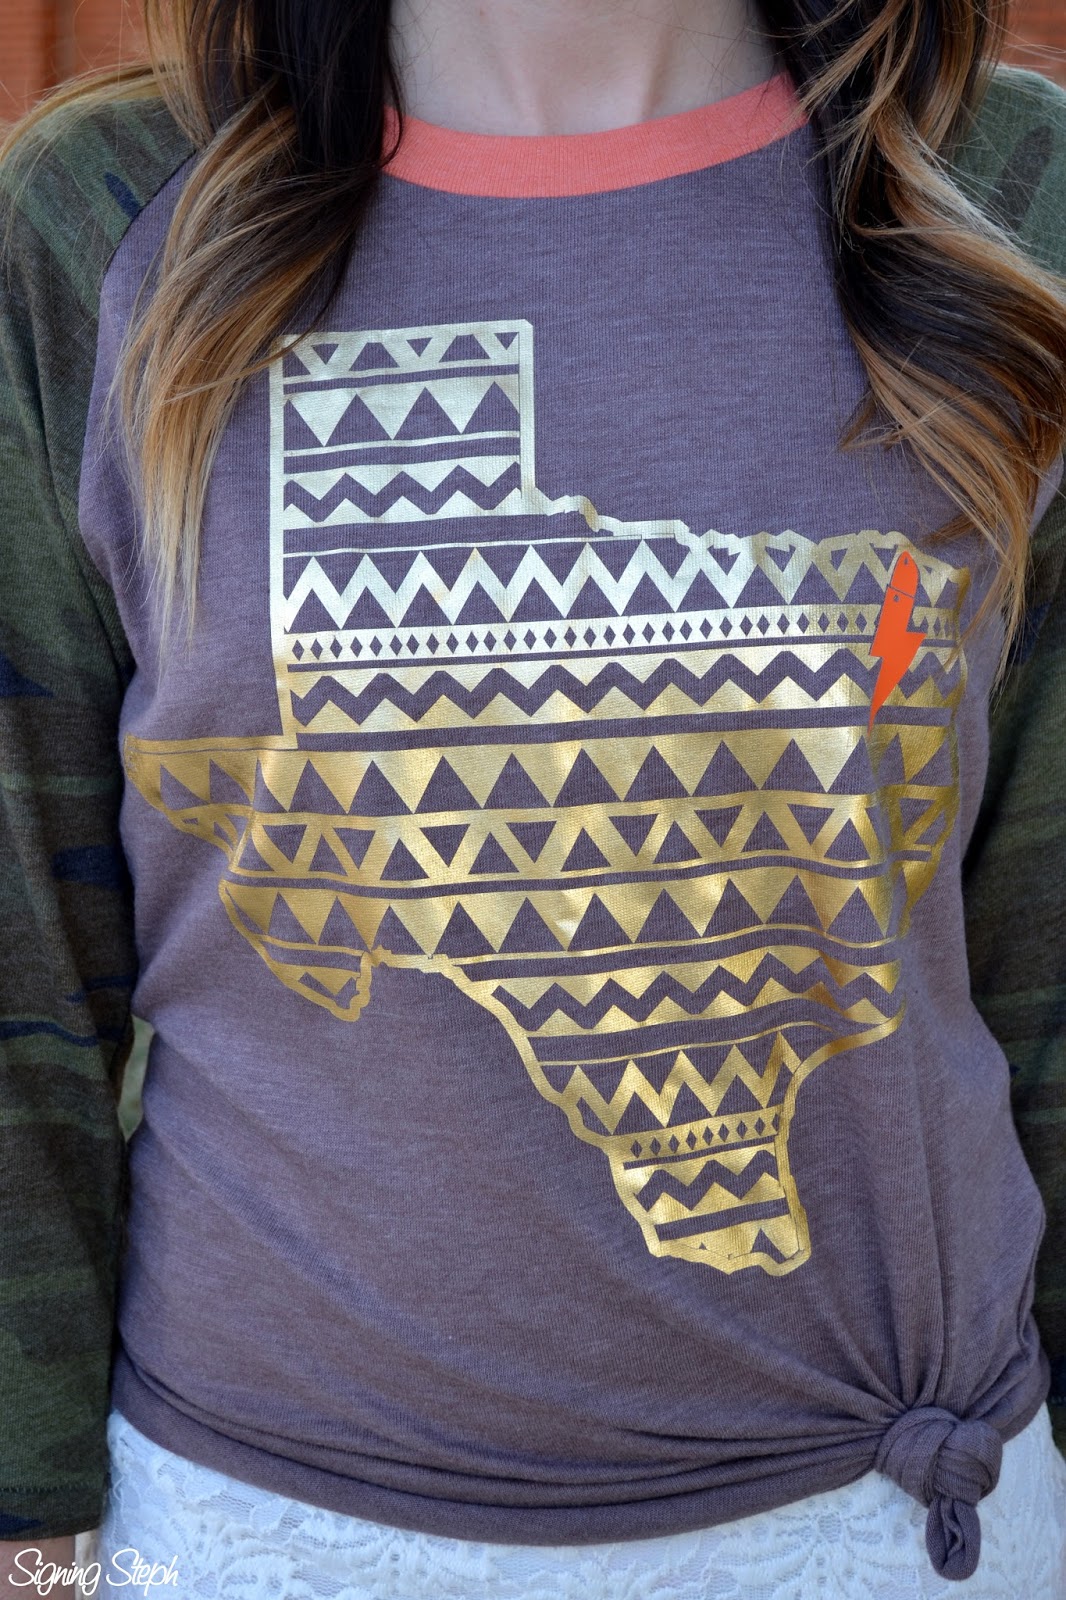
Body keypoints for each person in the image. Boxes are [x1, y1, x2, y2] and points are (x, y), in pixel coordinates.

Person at [2, 0, 1066, 1594]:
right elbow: (22, 947)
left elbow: (1047, 942)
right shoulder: (106, 212)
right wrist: (29, 1534)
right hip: (261, 1530)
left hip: (887, 1522)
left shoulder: (1003, 192)